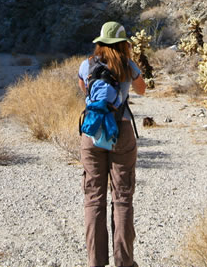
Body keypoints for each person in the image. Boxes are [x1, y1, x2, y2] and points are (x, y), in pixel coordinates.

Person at [78, 21, 146, 267]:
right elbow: (142, 90)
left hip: (93, 131)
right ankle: (124, 262)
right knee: (122, 197)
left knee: (94, 197)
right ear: (122, 43)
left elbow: (83, 89)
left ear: (100, 43)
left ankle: (95, 262)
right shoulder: (128, 65)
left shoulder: (87, 64)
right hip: (121, 130)